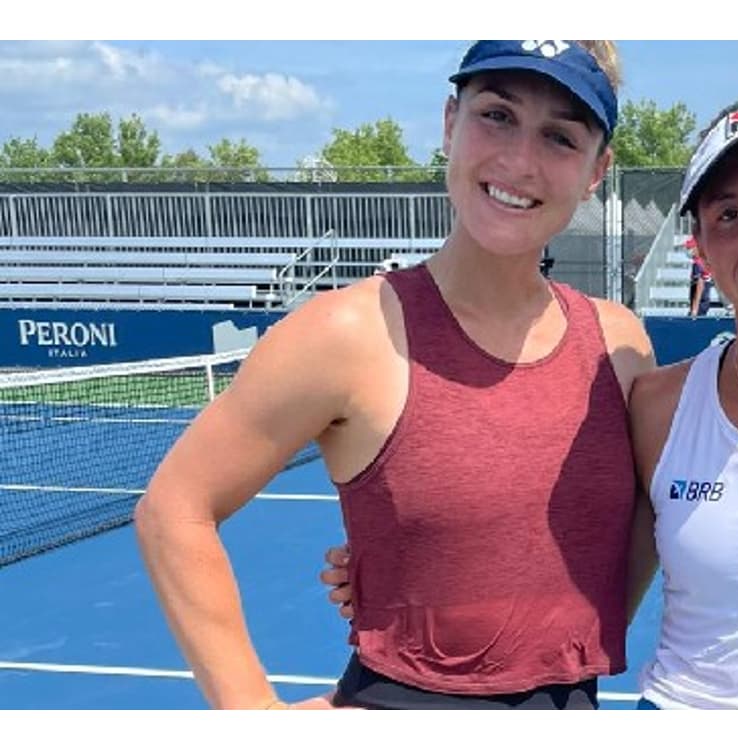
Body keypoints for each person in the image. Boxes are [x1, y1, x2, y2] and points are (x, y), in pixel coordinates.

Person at [325, 95, 738, 709]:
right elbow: (577, 596)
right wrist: (409, 582)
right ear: (700, 247)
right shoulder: (658, 406)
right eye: (730, 214)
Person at [134, 39, 656, 710]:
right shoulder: (346, 333)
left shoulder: (621, 345)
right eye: (497, 116)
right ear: (449, 123)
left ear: (596, 171)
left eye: (560, 137)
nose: (520, 161)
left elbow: (646, 528)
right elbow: (173, 509)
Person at [685, 235, 713, 318]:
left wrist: (694, 309)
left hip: (700, 305)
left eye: (691, 249)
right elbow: (699, 286)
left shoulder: (699, 264)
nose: (690, 251)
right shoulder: (700, 263)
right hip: (701, 304)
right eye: (688, 249)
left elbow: (699, 286)